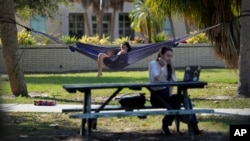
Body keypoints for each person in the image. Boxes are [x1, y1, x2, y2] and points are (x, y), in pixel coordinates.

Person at [148, 46, 201, 136]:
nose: (170, 58)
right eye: (168, 55)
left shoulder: (169, 66)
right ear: (161, 54)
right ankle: (166, 125)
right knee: (176, 103)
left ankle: (193, 123)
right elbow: (158, 79)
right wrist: (164, 66)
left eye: (171, 56)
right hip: (157, 97)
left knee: (184, 99)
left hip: (166, 95)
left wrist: (172, 69)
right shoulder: (153, 64)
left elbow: (174, 82)